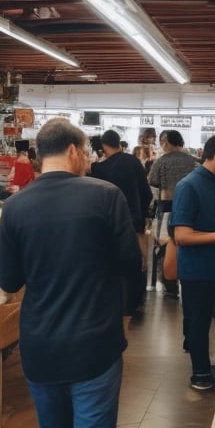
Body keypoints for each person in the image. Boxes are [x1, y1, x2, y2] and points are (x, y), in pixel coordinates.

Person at [0, 118, 141, 428]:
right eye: (88, 152)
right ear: (76, 151)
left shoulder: (16, 206)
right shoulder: (105, 196)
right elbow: (131, 266)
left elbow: (7, 281)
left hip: (40, 343)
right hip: (95, 343)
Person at [171, 133, 215, 391]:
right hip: (196, 268)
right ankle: (200, 373)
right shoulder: (188, 186)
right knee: (199, 321)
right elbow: (181, 235)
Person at [91, 130, 152, 316]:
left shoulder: (99, 169)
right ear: (119, 143)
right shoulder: (133, 161)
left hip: (111, 223)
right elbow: (147, 193)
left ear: (103, 146)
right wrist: (141, 213)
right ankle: (137, 299)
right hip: (135, 221)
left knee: (115, 261)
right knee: (139, 260)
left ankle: (120, 302)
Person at [147, 130, 198, 298]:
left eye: (163, 141)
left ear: (166, 142)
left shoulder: (161, 161)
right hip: (190, 206)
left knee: (165, 244)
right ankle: (187, 279)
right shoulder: (192, 160)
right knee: (187, 241)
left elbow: (152, 180)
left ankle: (169, 283)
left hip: (167, 204)